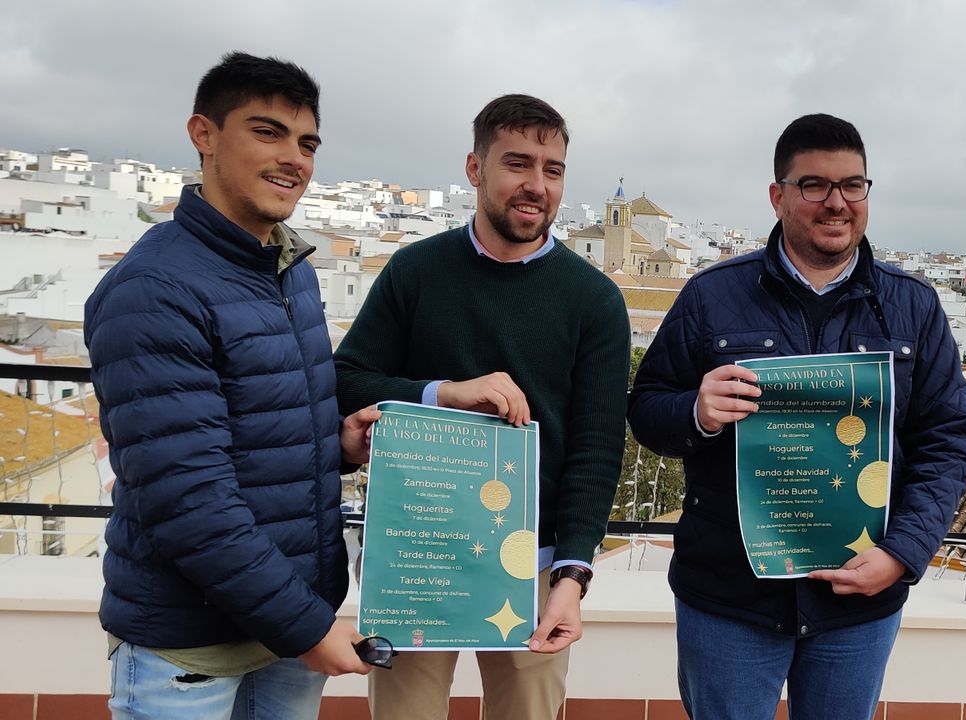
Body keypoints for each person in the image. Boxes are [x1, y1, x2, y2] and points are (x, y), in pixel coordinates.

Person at [628, 113, 966, 720]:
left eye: (853, 185)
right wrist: (697, 411)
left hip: (857, 604)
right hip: (731, 598)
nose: (837, 202)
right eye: (814, 185)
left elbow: (947, 440)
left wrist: (902, 555)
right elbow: (647, 409)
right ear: (778, 195)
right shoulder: (713, 295)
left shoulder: (912, 306)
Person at [86, 51, 381, 720]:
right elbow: (189, 498)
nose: (295, 159)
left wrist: (334, 442)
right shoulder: (154, 290)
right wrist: (307, 628)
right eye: (267, 132)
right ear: (204, 134)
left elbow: (247, 429)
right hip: (192, 650)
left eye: (307, 142)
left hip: (285, 632)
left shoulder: (291, 267)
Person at [334, 93, 630, 720]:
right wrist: (441, 393)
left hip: (536, 567)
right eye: (517, 164)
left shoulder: (594, 300)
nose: (536, 186)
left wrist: (573, 577)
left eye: (552, 170)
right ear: (475, 169)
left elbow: (597, 448)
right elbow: (345, 379)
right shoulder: (417, 271)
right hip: (418, 556)